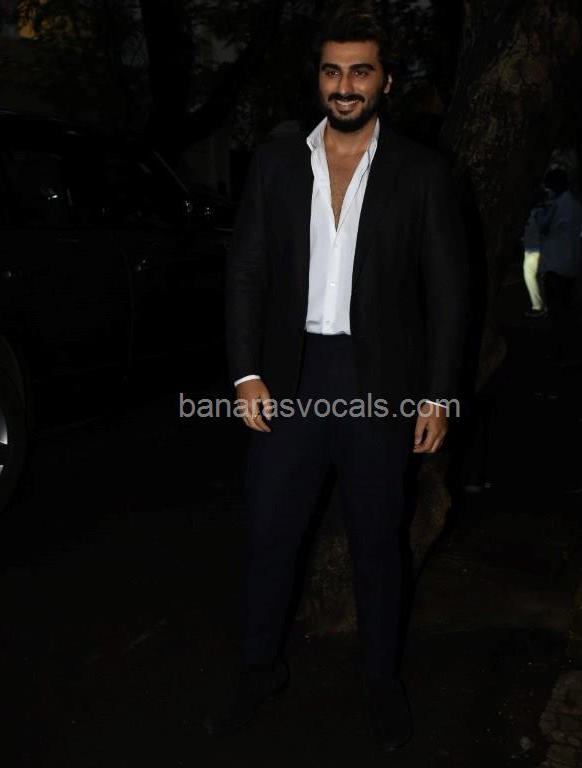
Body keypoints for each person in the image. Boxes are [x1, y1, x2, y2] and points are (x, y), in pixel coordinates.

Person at [209, 6, 469, 751]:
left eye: (360, 71)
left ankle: (380, 682)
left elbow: (450, 291)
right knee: (268, 533)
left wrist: (438, 394)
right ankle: (259, 669)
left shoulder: (422, 172)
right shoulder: (276, 162)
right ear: (319, 78)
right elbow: (247, 271)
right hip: (289, 378)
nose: (345, 85)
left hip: (377, 382)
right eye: (332, 71)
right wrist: (245, 373)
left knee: (377, 541)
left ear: (385, 81)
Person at [534, 168, 582, 364]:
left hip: (555, 265)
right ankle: (567, 349)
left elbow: (543, 226)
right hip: (570, 264)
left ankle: (559, 352)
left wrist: (542, 209)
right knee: (566, 308)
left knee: (556, 312)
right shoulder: (575, 205)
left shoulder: (556, 205)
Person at [523, 204, 546, 316]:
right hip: (539, 249)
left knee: (530, 277)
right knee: (539, 278)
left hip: (534, 250)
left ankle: (537, 306)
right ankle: (543, 305)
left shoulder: (535, 212)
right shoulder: (542, 211)